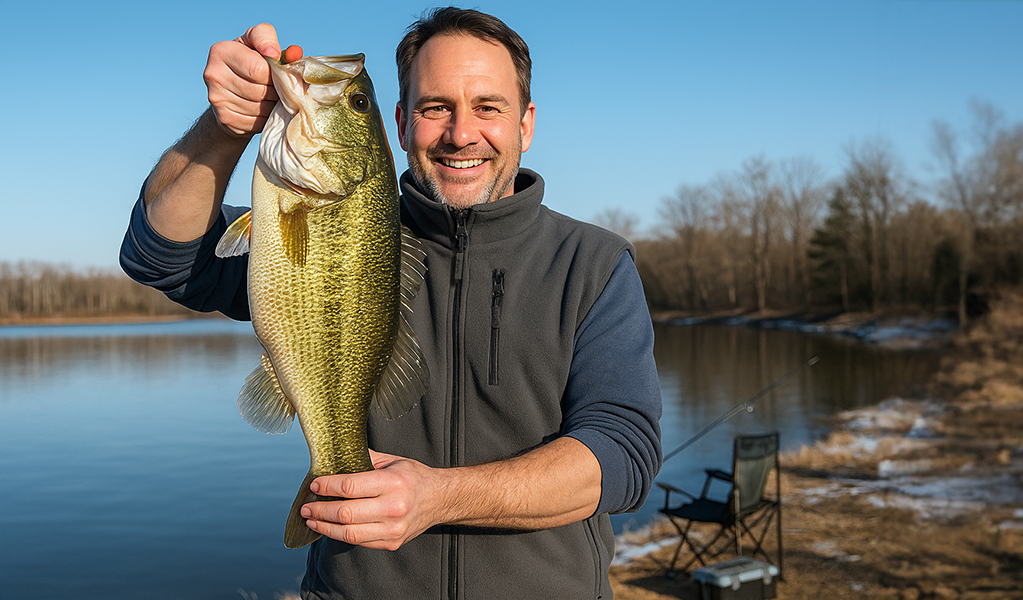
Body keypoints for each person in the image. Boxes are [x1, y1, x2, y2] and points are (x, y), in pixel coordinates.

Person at [120, 7, 662, 599]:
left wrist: (439, 497)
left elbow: (623, 453)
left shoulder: (594, 264)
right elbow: (161, 256)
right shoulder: (349, 228)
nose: (461, 134)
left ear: (525, 124)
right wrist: (225, 129)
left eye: (488, 107)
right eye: (435, 108)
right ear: (400, 124)